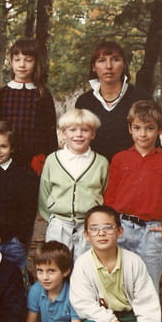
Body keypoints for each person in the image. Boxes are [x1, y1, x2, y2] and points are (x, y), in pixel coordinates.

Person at [70, 205, 161, 322]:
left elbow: (148, 305)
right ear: (86, 235)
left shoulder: (134, 262)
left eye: (108, 227)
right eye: (94, 228)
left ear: (120, 231)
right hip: (102, 320)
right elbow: (84, 305)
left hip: (130, 319)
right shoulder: (83, 264)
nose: (101, 233)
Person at [104, 100, 162, 293]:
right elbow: (110, 197)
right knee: (118, 283)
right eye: (137, 128)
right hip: (122, 228)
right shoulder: (120, 159)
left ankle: (147, 314)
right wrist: (110, 225)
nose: (143, 134)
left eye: (149, 128)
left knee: (148, 285)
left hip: (150, 231)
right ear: (130, 129)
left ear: (160, 129)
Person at [38, 108, 109, 260]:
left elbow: (104, 190)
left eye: (85, 130)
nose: (79, 134)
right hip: (59, 223)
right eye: (73, 130)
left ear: (93, 134)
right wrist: (51, 217)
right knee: (56, 263)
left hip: (89, 224)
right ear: (63, 134)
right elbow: (44, 192)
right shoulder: (53, 160)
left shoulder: (101, 162)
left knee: (85, 264)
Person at [74, 40, 157, 161]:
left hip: (133, 168)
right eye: (102, 60)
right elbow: (78, 142)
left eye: (115, 59)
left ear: (124, 65)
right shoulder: (84, 102)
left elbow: (154, 143)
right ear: (93, 67)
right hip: (93, 168)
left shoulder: (141, 98)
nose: (108, 66)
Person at [0, 121, 38, 276]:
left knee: (14, 279)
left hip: (13, 241)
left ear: (12, 148)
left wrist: (20, 238)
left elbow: (28, 210)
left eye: (3, 146)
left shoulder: (24, 174)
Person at [0, 38, 58, 174]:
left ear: (36, 62)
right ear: (11, 62)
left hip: (34, 160)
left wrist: (46, 157)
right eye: (17, 60)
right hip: (5, 158)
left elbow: (50, 132)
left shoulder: (42, 94)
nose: (22, 65)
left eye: (28, 60)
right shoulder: (3, 93)